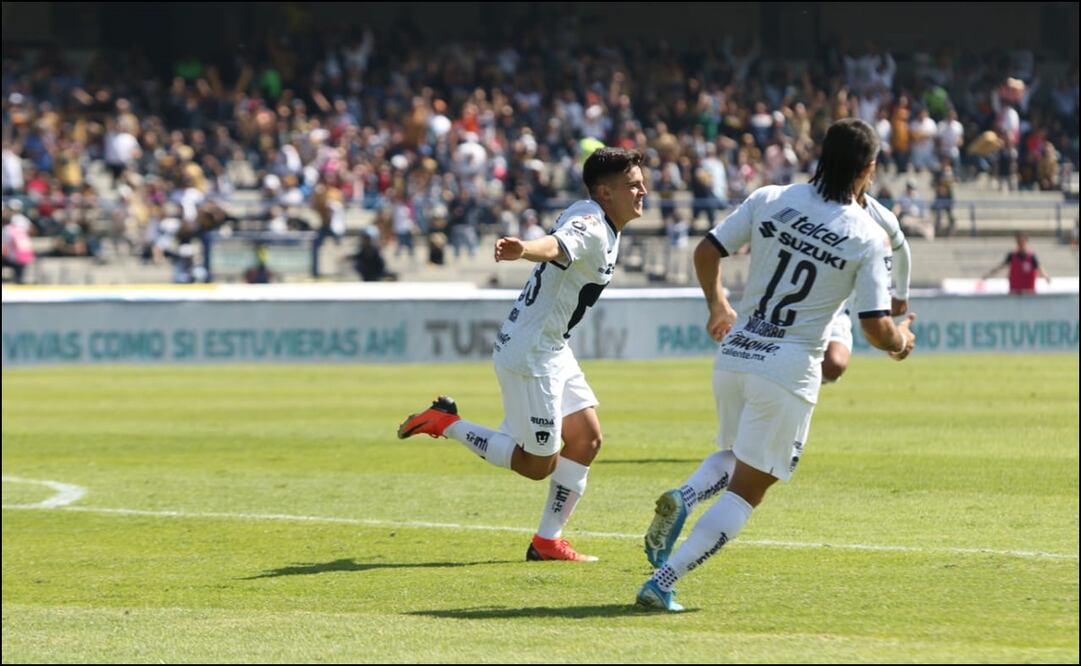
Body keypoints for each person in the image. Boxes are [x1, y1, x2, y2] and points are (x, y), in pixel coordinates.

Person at [636, 119, 916, 611]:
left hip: (736, 353)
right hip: (787, 368)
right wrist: (900, 340)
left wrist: (718, 306)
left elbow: (707, 251)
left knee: (734, 453)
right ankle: (663, 580)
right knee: (748, 490)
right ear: (868, 169)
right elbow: (875, 326)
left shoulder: (771, 197)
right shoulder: (867, 235)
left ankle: (685, 496)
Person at [397, 148, 647, 562]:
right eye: (633, 185)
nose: (643, 191)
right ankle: (446, 422)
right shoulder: (591, 226)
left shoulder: (594, 215)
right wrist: (524, 249)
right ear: (606, 193)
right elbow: (556, 246)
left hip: (552, 347)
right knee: (536, 465)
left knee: (586, 439)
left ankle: (547, 541)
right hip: (531, 354)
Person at [822, 183, 912, 383]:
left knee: (833, 365)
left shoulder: (879, 216)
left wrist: (901, 294)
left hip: (837, 305)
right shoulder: (802, 199)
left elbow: (901, 247)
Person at [981, 231, 1051, 294]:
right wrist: (988, 275)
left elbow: (1039, 268)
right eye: (1018, 242)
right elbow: (1001, 266)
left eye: (1022, 241)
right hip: (1014, 292)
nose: (1021, 244)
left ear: (1026, 242)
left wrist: (1046, 277)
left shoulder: (1032, 257)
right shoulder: (1012, 255)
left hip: (1029, 292)